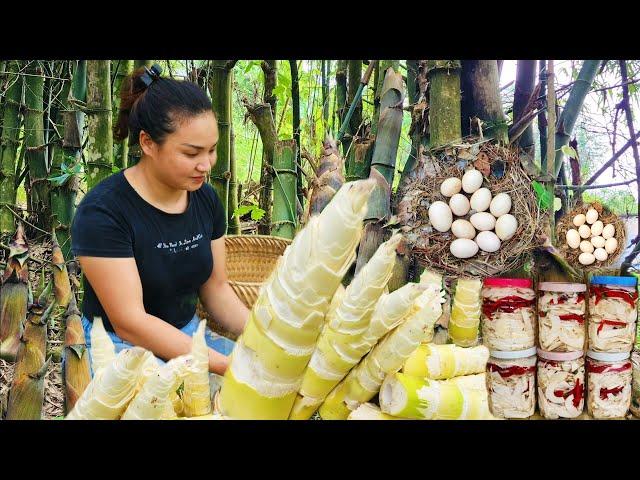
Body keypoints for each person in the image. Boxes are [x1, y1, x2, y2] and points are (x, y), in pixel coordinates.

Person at [70, 65, 249, 376]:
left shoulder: (206, 200)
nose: (206, 165)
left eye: (212, 150)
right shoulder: (103, 212)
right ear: (148, 143)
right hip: (120, 344)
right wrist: (221, 365)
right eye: (192, 153)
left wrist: (266, 339)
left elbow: (217, 289)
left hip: (187, 333)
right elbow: (130, 322)